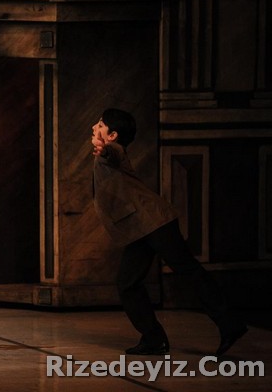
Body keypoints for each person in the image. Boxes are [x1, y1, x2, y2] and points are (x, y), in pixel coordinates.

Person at [90, 108, 247, 357]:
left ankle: (230, 323)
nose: (94, 127)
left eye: (100, 125)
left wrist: (106, 149)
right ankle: (154, 340)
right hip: (139, 228)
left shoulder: (112, 152)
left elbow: (115, 152)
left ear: (112, 135)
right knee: (128, 284)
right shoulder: (104, 155)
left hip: (155, 222)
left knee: (188, 270)